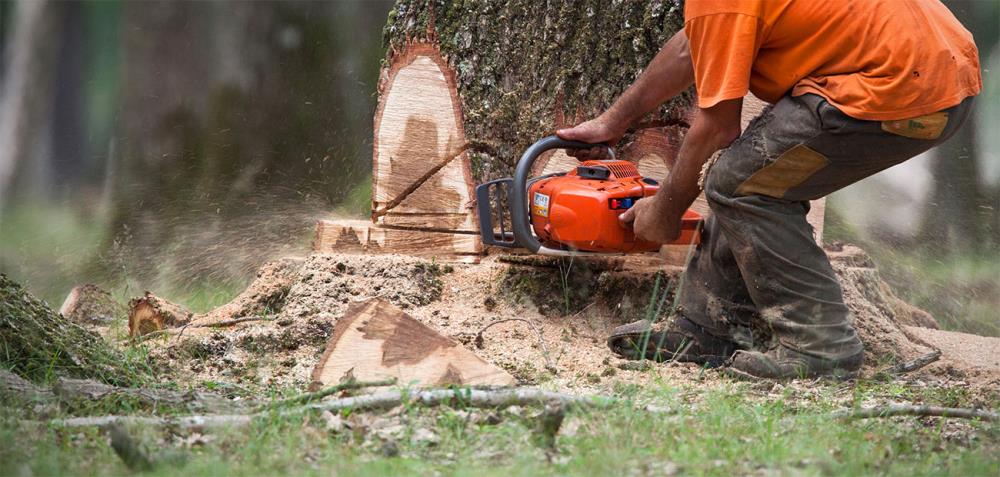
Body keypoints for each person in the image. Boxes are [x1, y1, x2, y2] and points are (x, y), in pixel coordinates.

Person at [557, 0, 981, 380]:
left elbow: (718, 128)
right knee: (750, 175)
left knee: (741, 183)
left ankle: (820, 344)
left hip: (895, 84)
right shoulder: (719, 8)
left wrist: (664, 210)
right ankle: (710, 325)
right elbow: (692, 45)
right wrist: (615, 120)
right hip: (946, 79)